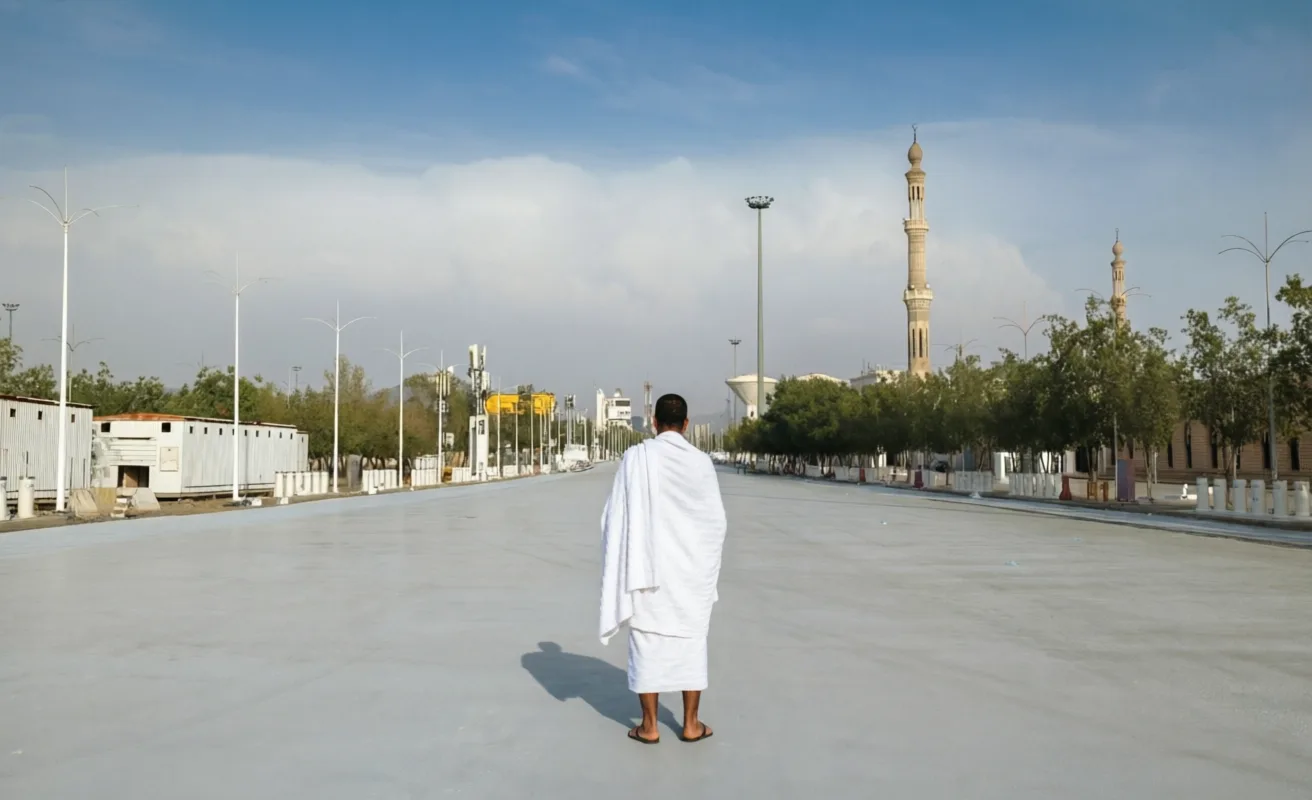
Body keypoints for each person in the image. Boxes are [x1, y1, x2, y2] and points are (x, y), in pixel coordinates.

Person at [599, 393, 728, 745]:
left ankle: (650, 726)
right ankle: (690, 724)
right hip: (689, 572)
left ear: (654, 423)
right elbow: (716, 522)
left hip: (647, 571)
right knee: (691, 642)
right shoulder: (701, 462)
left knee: (646, 642)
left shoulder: (636, 457)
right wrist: (703, 565)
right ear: (686, 424)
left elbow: (615, 516)